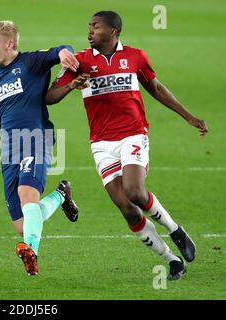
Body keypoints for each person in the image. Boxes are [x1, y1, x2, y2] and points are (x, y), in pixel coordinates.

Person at [45, 11, 208, 280]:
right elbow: (50, 97)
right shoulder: (80, 61)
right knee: (126, 207)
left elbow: (155, 88)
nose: (89, 31)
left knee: (134, 191)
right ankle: (172, 260)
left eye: (95, 27)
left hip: (133, 134)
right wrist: (71, 85)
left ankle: (175, 229)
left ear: (112, 32)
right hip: (101, 143)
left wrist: (188, 116)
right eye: (88, 26)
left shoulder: (135, 57)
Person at [0, 20, 80, 275]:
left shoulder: (30, 62)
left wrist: (63, 53)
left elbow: (58, 50)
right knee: (23, 223)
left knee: (28, 196)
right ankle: (61, 195)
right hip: (10, 150)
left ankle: (31, 252)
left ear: (10, 43)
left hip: (36, 139)